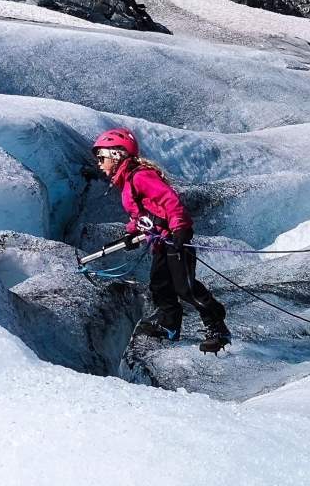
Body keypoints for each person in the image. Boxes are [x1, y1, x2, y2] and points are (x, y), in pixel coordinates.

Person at [91, 128, 232, 354]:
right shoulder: (127, 180)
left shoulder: (140, 176)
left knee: (185, 288)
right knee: (160, 285)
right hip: (161, 243)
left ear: (116, 155)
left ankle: (217, 327)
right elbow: (141, 214)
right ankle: (169, 325)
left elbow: (170, 201)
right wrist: (131, 233)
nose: (99, 163)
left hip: (175, 239)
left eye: (102, 158)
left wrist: (179, 229)